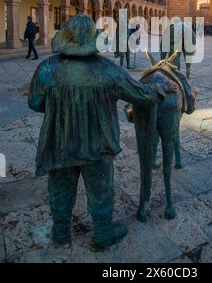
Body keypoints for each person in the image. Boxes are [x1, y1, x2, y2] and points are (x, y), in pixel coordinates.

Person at [28, 15, 175, 249]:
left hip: (60, 143)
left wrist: (63, 109)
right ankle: (104, 233)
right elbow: (140, 94)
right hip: (98, 144)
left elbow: (35, 103)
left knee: (59, 188)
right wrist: (159, 88)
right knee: (100, 189)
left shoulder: (47, 68)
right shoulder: (107, 70)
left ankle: (60, 233)